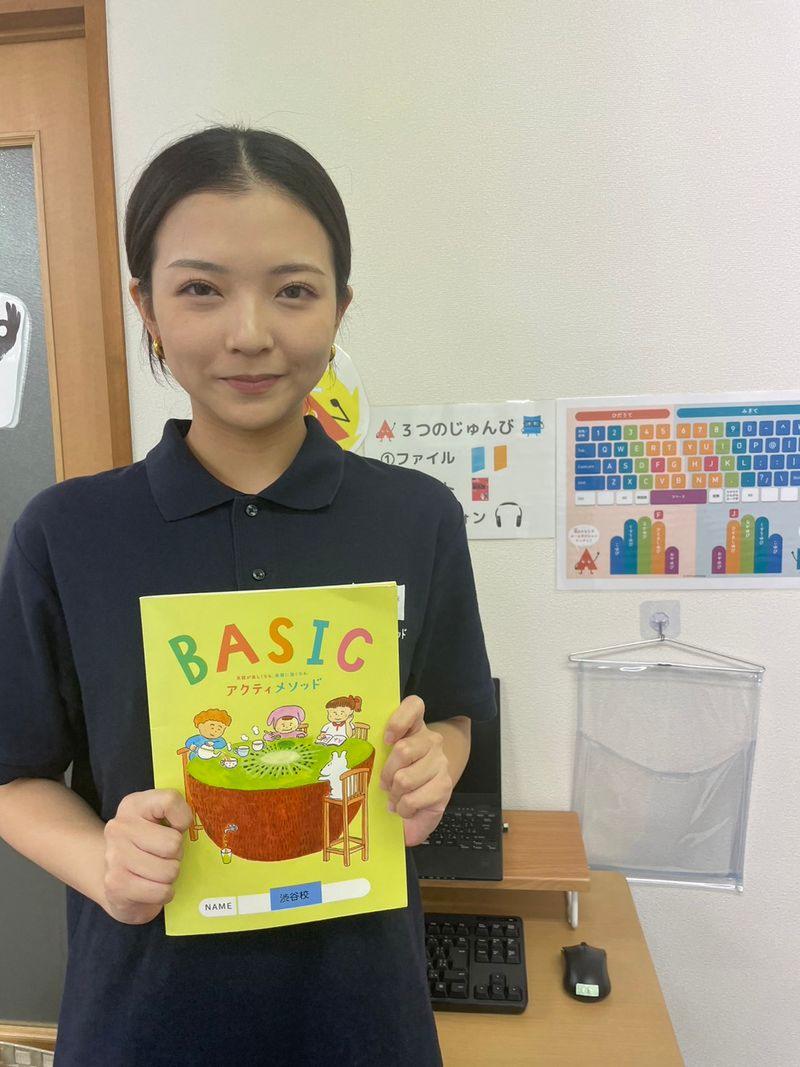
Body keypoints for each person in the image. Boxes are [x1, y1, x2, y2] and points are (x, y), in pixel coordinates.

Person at [0, 125, 496, 1066]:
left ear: (340, 306)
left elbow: (456, 712)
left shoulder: (417, 516)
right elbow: (13, 774)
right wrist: (103, 862)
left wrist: (434, 762)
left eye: (294, 290)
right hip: (145, 1019)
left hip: (362, 1018)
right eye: (202, 289)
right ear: (146, 305)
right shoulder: (66, 533)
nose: (250, 332)